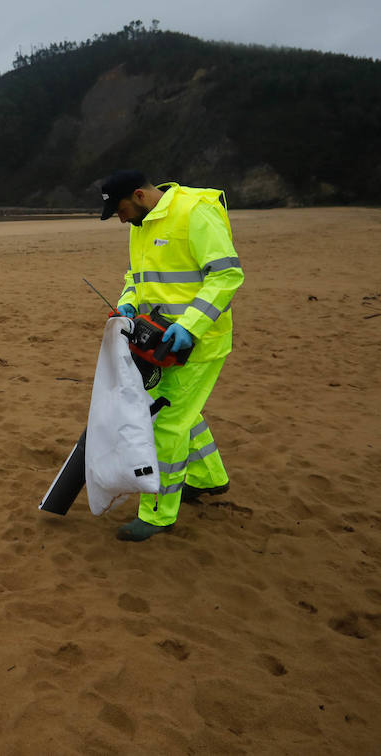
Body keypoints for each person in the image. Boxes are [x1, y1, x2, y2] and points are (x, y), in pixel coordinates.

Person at [98, 169, 244, 541]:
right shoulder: (141, 226)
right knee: (179, 411)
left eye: (121, 209)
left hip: (198, 344)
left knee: (164, 424)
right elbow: (137, 276)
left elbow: (226, 275)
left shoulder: (195, 211)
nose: (121, 218)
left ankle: (158, 515)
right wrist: (127, 305)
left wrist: (191, 326)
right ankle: (210, 477)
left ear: (140, 195)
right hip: (158, 343)